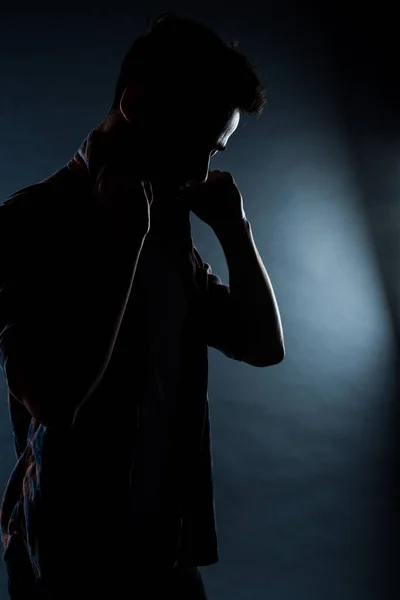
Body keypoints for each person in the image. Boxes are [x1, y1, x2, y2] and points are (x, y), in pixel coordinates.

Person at [0, 13, 285, 600]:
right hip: (69, 563)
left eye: (216, 149)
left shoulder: (168, 230)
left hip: (168, 557)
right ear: (133, 102)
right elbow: (52, 399)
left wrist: (235, 230)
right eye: (195, 141)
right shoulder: (31, 222)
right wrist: (121, 242)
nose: (203, 169)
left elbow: (261, 346)